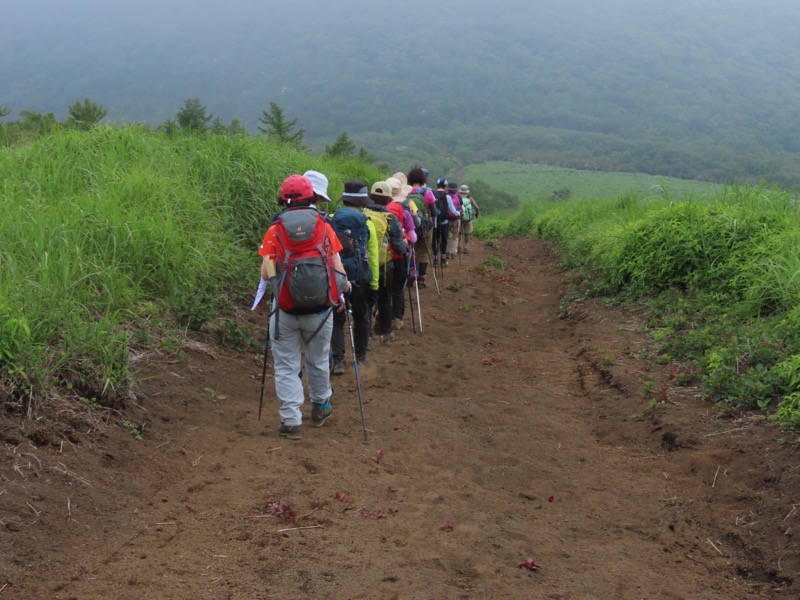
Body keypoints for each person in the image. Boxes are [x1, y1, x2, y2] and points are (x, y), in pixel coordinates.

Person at [258, 174, 350, 440]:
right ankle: (320, 407)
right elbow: (338, 269)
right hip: (320, 311)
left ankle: (290, 420)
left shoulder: (274, 231)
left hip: (285, 309)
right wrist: (344, 290)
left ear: (283, 200)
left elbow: (266, 275)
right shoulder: (324, 227)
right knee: (318, 359)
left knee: (286, 364)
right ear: (312, 196)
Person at [330, 180, 379, 374]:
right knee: (362, 316)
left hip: (338, 277)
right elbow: (373, 256)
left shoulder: (331, 220)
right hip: (361, 276)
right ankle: (360, 357)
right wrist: (374, 283)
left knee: (336, 319)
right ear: (363, 203)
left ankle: (339, 360)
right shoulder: (368, 223)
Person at [363, 181, 407, 344]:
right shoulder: (391, 218)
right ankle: (387, 333)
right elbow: (399, 247)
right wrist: (405, 244)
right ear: (389, 199)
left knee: (366, 300)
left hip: (364, 264)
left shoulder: (362, 213)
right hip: (384, 266)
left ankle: (366, 336)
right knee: (385, 298)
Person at [386, 176, 417, 331]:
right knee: (398, 289)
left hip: (382, 256)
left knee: (385, 289)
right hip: (399, 255)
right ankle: (397, 319)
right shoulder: (404, 212)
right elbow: (413, 237)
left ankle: (383, 316)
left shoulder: (376, 210)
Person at [406, 166, 438, 288]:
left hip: (409, 227)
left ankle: (411, 274)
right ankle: (421, 279)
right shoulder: (427, 193)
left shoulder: (406, 192)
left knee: (411, 251)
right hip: (425, 227)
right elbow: (435, 212)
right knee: (423, 252)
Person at [458, 184, 480, 254]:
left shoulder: (457, 197)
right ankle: (466, 248)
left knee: (459, 233)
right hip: (468, 219)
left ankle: (458, 247)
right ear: (467, 192)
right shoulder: (470, 198)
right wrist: (476, 215)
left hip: (459, 218)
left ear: (460, 191)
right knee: (466, 233)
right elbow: (477, 208)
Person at [446, 181, 463, 260]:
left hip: (447, 219)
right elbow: (462, 209)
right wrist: (460, 214)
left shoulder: (446, 196)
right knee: (455, 236)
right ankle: (453, 253)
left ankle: (447, 252)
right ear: (456, 189)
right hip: (456, 219)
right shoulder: (459, 197)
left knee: (448, 235)